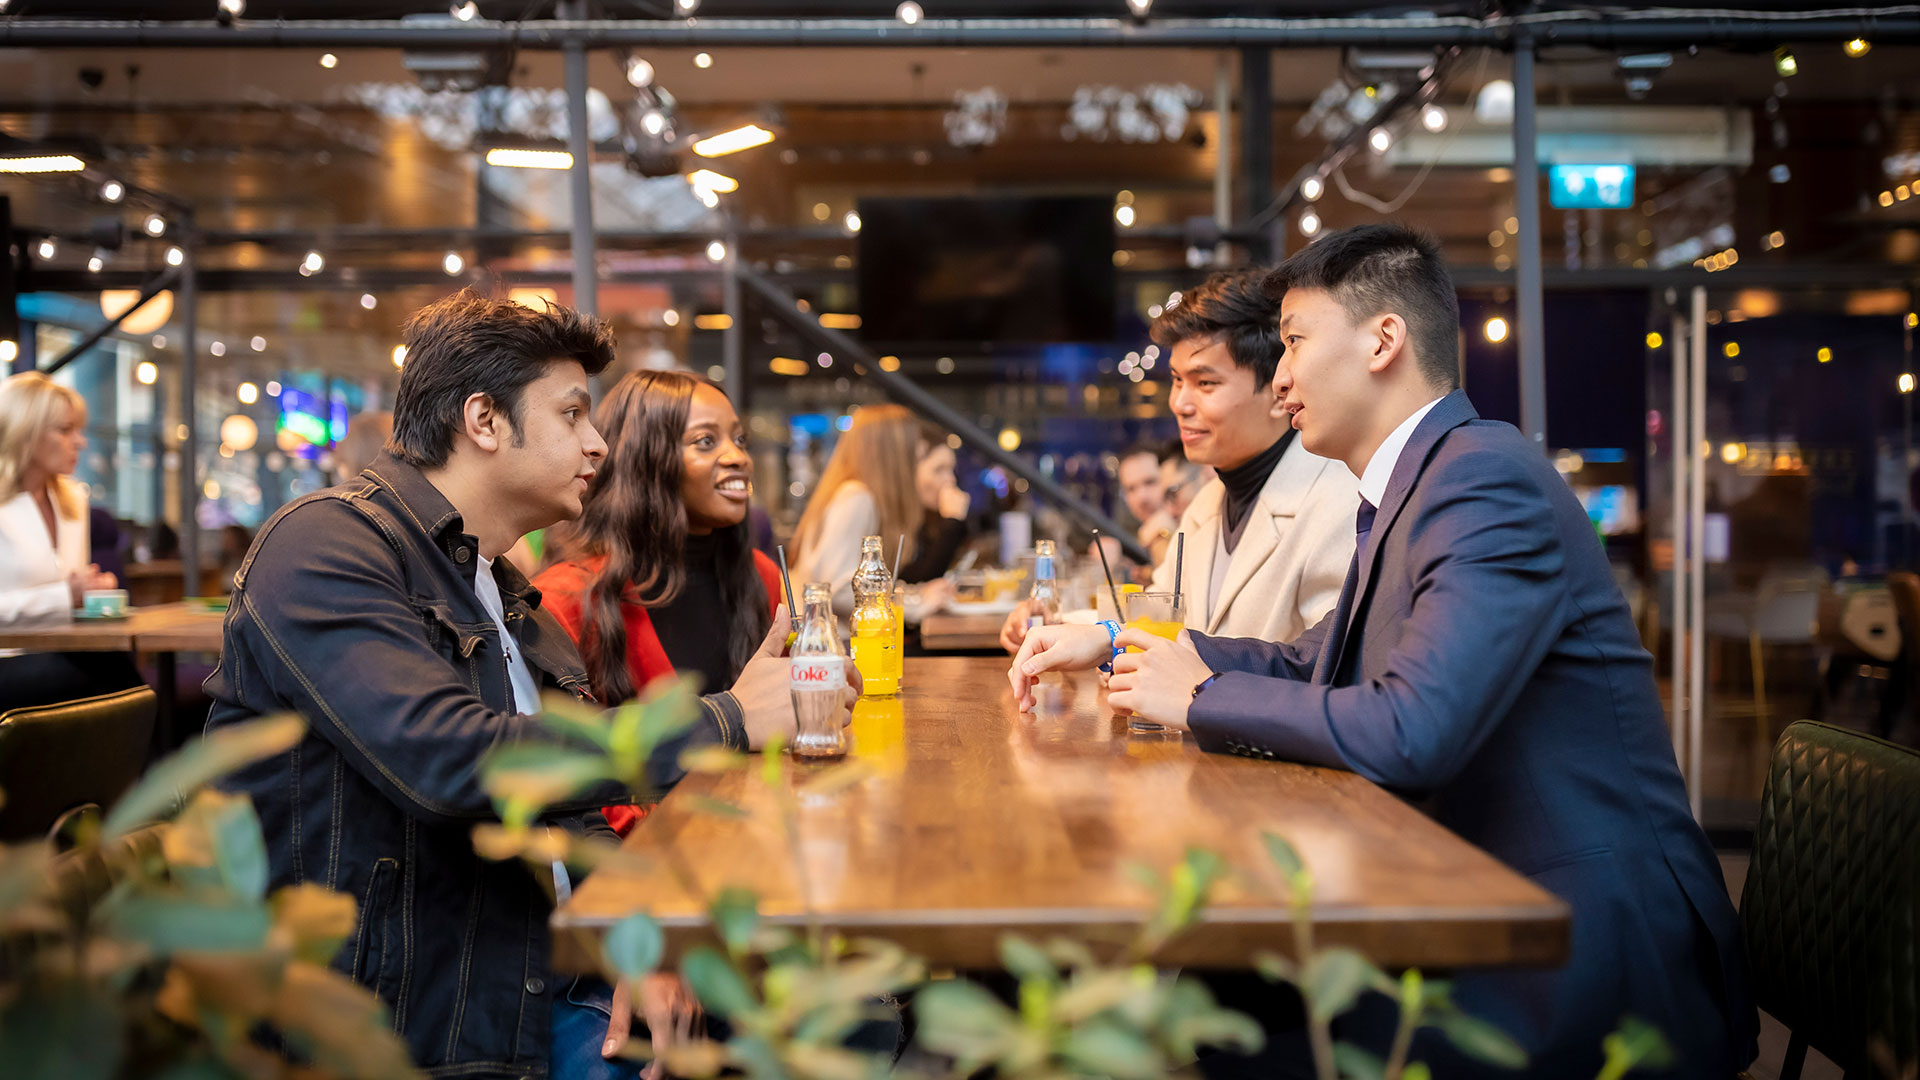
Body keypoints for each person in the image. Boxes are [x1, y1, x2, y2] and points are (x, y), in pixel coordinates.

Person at [1010, 225, 1755, 1078]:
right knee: (1225, 999)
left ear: (1383, 340)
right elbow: (1312, 662)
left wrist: (1199, 698)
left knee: (1225, 1020)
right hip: (1480, 893)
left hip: (1576, 943)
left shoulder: (1483, 478)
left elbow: (1415, 727)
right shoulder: (1419, 482)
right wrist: (1115, 643)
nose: (1281, 376)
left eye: (1292, 341)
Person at [203, 293, 854, 1079]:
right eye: (574, 415)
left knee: (828, 1023)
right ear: (484, 421)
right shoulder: (325, 544)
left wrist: (639, 937)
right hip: (403, 1017)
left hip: (531, 967)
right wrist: (724, 718)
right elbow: (450, 760)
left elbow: (573, 814)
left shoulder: (504, 589)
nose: (598, 446)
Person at [1003, 269, 1358, 652]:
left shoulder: (1339, 504)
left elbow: (1324, 667)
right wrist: (1062, 626)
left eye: (1205, 383)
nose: (1179, 404)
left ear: (1277, 389)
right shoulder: (1206, 503)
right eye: (1176, 380)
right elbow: (1159, 615)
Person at [535, 369, 784, 836]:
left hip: (761, 834)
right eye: (706, 442)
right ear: (647, 458)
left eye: (739, 439)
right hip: (651, 868)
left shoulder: (761, 577)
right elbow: (570, 779)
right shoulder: (570, 597)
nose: (738, 458)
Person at [0, 371, 140, 713]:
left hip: (64, 651)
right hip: (8, 660)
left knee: (116, 675)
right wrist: (67, 595)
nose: (80, 442)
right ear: (25, 433)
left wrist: (92, 593)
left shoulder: (72, 499)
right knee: (111, 679)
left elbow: (71, 596)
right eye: (65, 430)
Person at [789, 404, 957, 616]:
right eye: (911, 445)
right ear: (892, 452)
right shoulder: (858, 498)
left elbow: (859, 582)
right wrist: (915, 606)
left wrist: (916, 593)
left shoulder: (854, 493)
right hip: (839, 642)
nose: (917, 453)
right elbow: (839, 589)